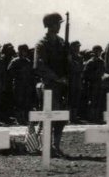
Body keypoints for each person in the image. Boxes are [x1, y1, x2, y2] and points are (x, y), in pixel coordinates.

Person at [34, 12, 70, 156]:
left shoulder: (62, 43)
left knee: (62, 116)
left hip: (63, 85)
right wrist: (56, 78)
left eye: (60, 23)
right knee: (49, 116)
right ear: (49, 25)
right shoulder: (42, 43)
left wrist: (69, 61)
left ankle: (56, 145)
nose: (59, 26)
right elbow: (39, 65)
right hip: (49, 84)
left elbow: (69, 64)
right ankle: (44, 145)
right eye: (57, 23)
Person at [8, 44, 35, 125]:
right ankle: (19, 119)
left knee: (26, 102)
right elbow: (10, 72)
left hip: (27, 85)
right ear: (20, 51)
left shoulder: (28, 61)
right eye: (23, 50)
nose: (25, 52)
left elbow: (31, 73)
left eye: (26, 51)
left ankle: (25, 118)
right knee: (18, 102)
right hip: (18, 84)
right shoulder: (15, 61)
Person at [83, 45, 105, 123]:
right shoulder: (90, 62)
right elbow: (86, 74)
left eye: (99, 51)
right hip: (92, 83)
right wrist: (94, 76)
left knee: (99, 100)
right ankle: (92, 117)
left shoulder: (101, 61)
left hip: (99, 83)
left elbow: (103, 71)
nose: (99, 53)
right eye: (97, 51)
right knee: (92, 100)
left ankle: (97, 117)